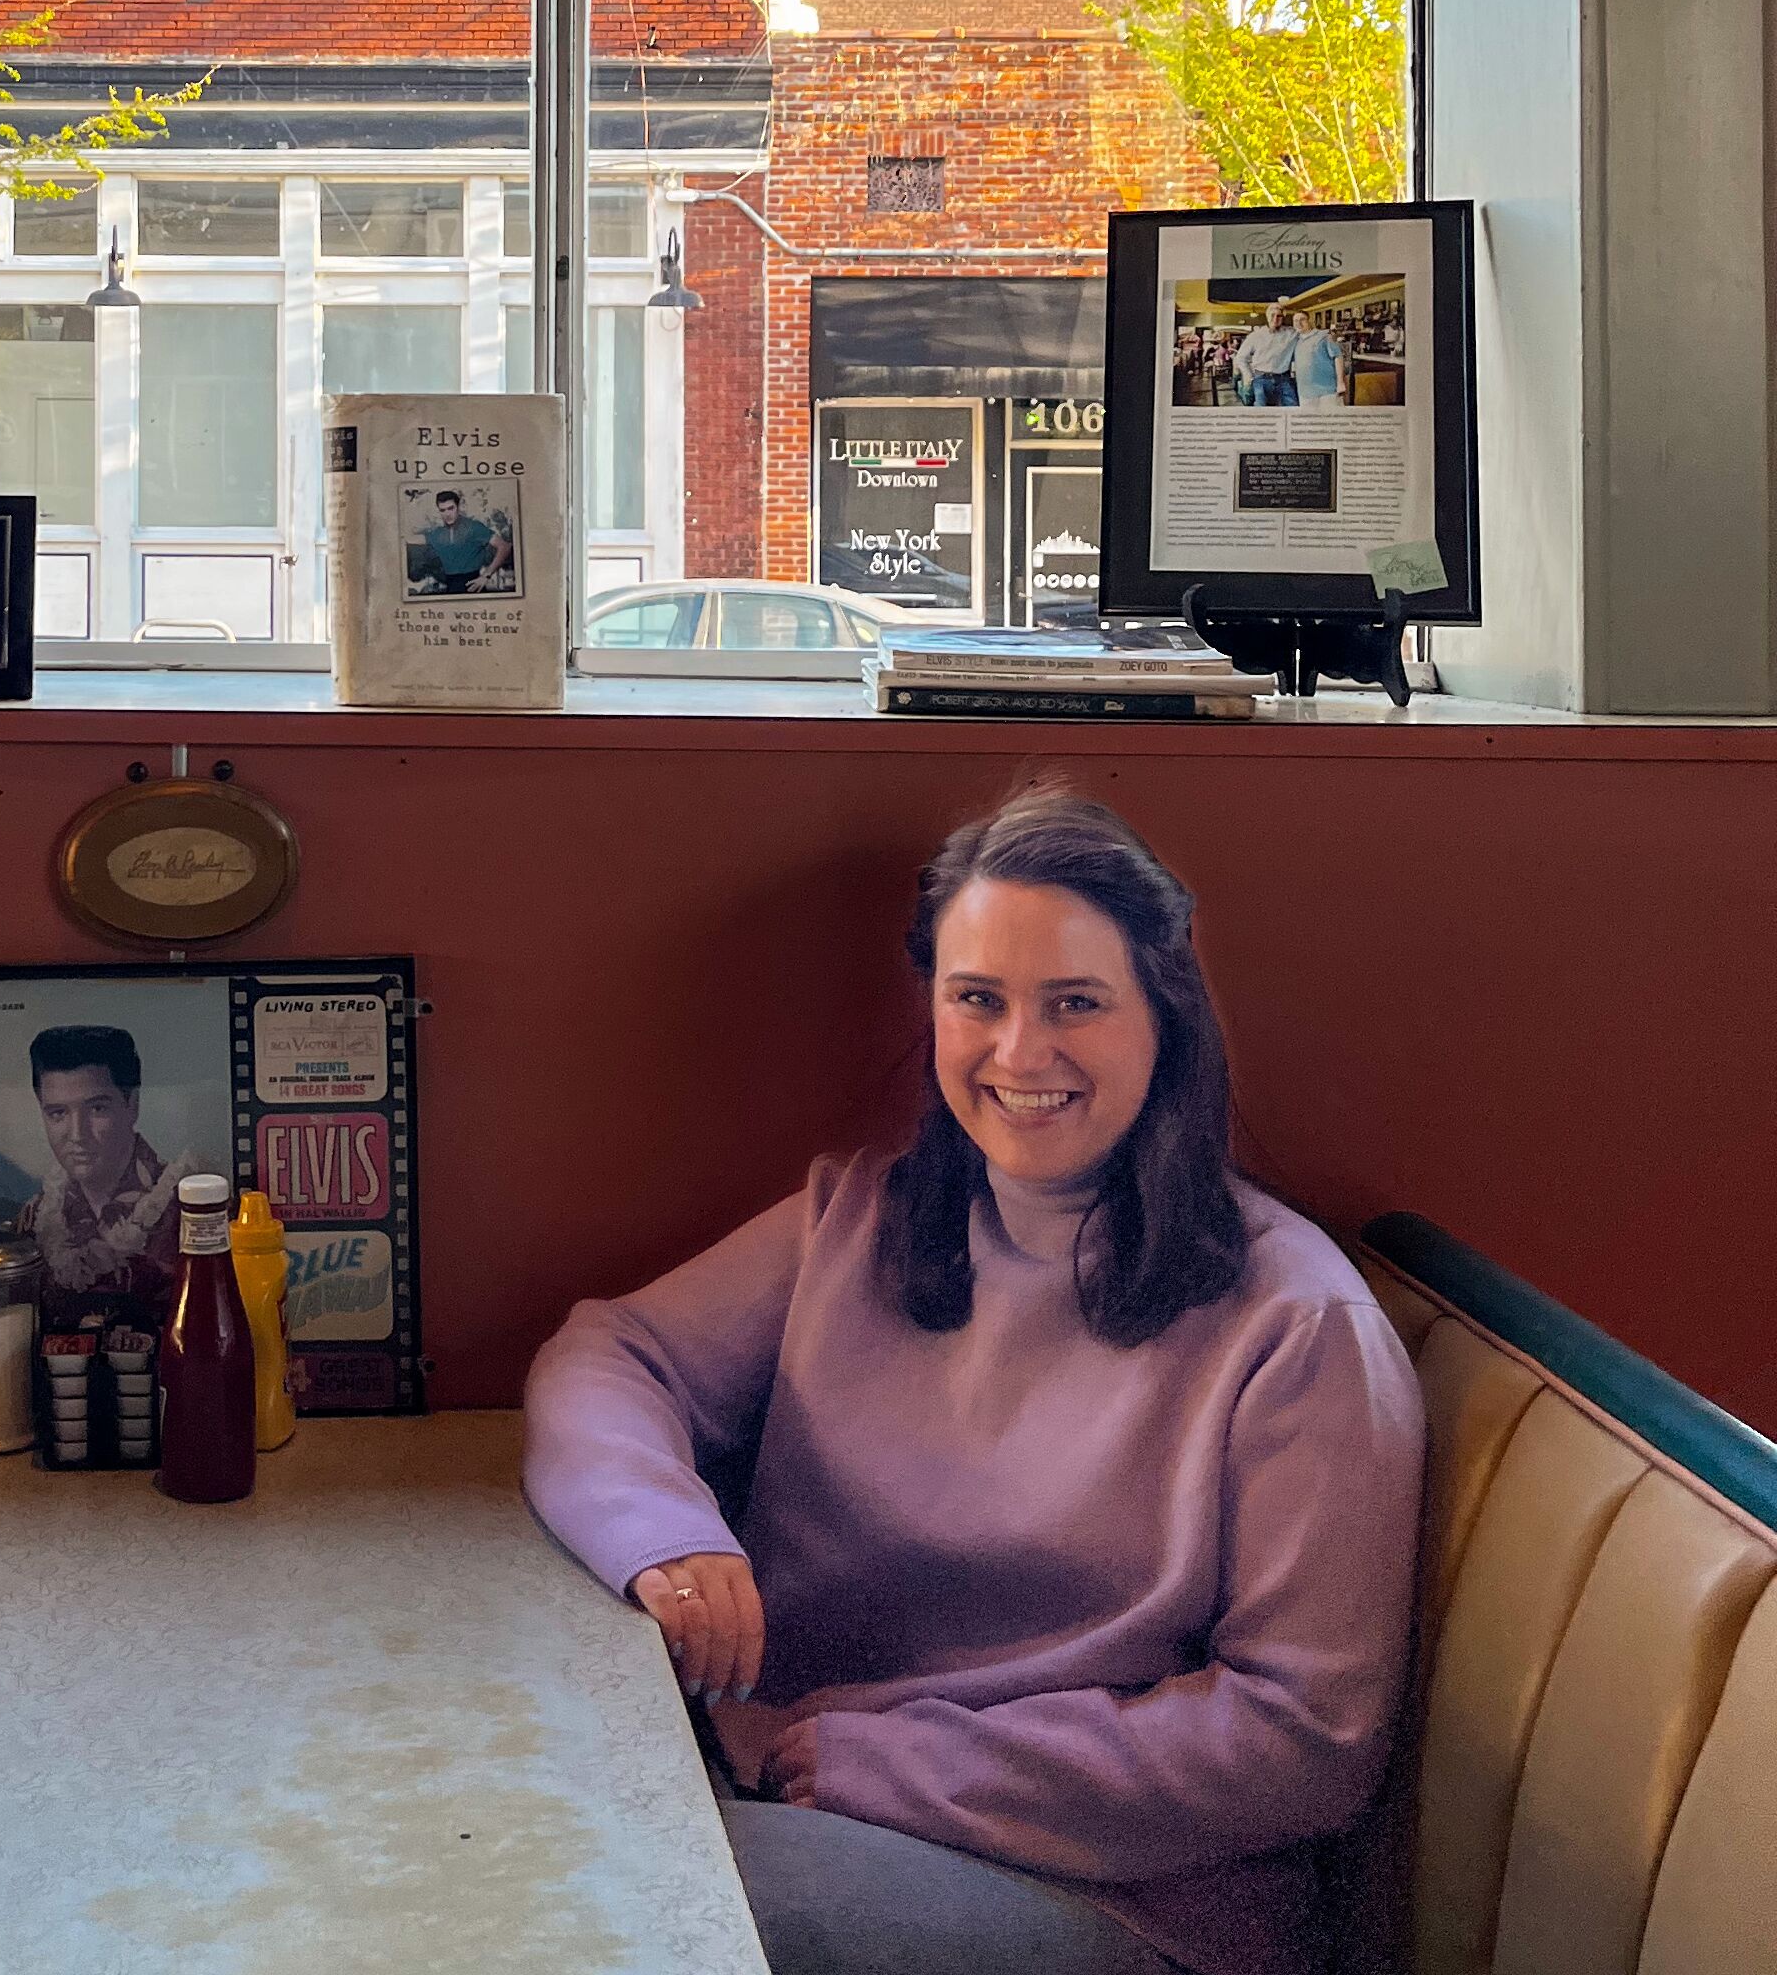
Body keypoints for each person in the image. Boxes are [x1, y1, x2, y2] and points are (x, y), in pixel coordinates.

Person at [524, 784, 1422, 1975]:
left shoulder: (1299, 1325)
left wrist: (898, 1767)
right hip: (803, 1798)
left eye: (1076, 1004)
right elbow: (609, 1354)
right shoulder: (856, 1220)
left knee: (597, 1896)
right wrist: (662, 1534)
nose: (1020, 1051)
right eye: (978, 1001)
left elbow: (1304, 1738)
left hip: (1128, 1903)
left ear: (1168, 1017)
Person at [14, 1024, 200, 1314]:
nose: (77, 1134)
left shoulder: (192, 1207)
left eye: (97, 1109)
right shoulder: (35, 1218)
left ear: (132, 1104)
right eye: (58, 1113)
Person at [413, 489, 511, 593]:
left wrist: (486, 576)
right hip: (450, 588)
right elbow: (412, 539)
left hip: (473, 587)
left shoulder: (474, 527)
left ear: (458, 507)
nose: (447, 514)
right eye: (443, 510)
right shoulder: (438, 533)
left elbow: (505, 547)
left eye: (451, 508)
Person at [1231, 304, 1302, 407]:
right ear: (1267, 316)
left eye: (1279, 316)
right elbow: (1241, 358)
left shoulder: (1291, 334)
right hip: (1261, 379)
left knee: (1293, 409)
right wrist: (1249, 375)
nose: (1275, 319)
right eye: (1272, 315)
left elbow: (1306, 332)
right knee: (1263, 413)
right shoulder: (1256, 336)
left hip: (1284, 379)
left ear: (1283, 318)